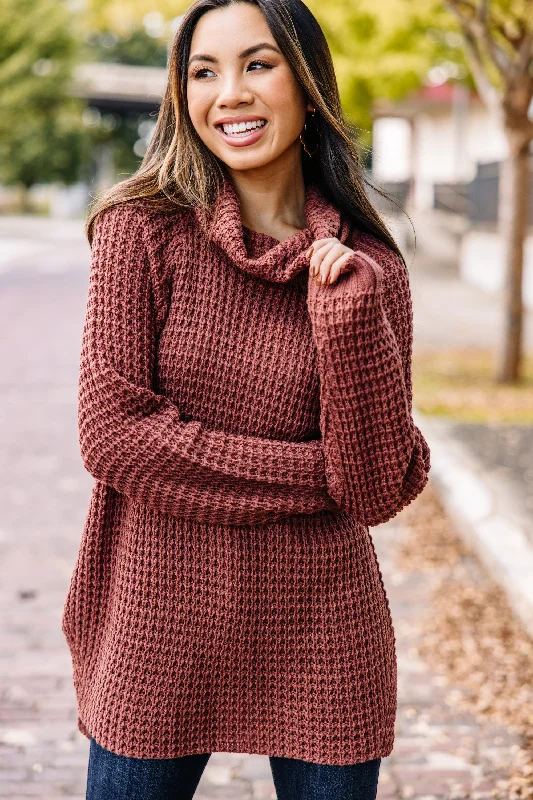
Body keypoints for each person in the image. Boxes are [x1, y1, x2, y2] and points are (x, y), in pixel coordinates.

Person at [62, 0, 431, 797]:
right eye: (203, 71)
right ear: (181, 95)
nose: (228, 92)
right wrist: (313, 477)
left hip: (322, 625)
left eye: (256, 64)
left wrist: (344, 321)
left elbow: (370, 489)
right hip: (157, 619)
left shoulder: (371, 271)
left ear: (307, 87)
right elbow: (117, 438)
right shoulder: (141, 230)